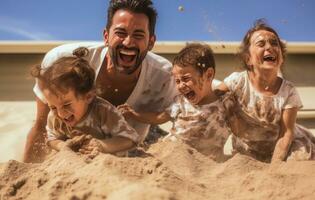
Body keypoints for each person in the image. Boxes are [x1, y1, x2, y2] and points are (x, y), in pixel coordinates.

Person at [24, 0, 177, 163]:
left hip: (131, 147)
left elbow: (185, 120)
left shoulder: (164, 76)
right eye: (121, 33)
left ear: (151, 42)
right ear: (106, 36)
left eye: (138, 35)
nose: (128, 42)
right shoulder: (62, 63)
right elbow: (41, 127)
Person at [217, 19, 315, 163]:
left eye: (274, 43)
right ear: (248, 58)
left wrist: (274, 167)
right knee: (224, 100)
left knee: (299, 160)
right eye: (261, 44)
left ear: (281, 58)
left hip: (285, 146)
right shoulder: (237, 82)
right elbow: (212, 102)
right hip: (249, 149)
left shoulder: (288, 91)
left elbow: (286, 134)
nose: (269, 47)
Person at [118, 43, 232, 161]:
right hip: (173, 153)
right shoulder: (181, 104)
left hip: (206, 161)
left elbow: (241, 128)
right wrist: (134, 114)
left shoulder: (225, 106)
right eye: (177, 81)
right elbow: (159, 117)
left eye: (186, 79)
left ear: (208, 75)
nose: (181, 86)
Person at [30, 47, 139, 158]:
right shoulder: (54, 116)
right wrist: (62, 146)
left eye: (66, 105)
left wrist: (102, 146)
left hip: (108, 163)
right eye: (53, 107)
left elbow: (131, 139)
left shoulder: (103, 112)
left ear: (88, 96)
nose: (60, 113)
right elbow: (51, 138)